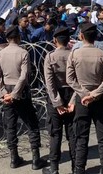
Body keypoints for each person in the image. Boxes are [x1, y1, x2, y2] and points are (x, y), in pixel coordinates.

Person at [0, 26, 47, 170]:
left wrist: (4, 93)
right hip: (21, 91)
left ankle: (14, 158)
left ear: (7, 38)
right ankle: (36, 159)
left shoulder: (1, 54)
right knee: (31, 123)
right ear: (18, 38)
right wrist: (15, 94)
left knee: (10, 125)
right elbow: (24, 75)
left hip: (7, 91)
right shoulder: (23, 53)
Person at [66, 22, 103, 174]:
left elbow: (70, 79)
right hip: (99, 100)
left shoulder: (74, 54)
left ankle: (79, 169)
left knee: (81, 137)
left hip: (82, 100)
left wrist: (84, 94)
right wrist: (94, 94)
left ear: (81, 36)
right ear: (96, 36)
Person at [42, 27, 76, 174]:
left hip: (56, 95)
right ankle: (77, 167)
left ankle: (54, 168)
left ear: (55, 40)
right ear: (69, 41)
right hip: (71, 94)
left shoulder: (50, 57)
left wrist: (57, 103)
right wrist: (72, 101)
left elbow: (49, 83)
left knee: (55, 134)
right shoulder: (74, 55)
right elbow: (78, 81)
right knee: (73, 134)